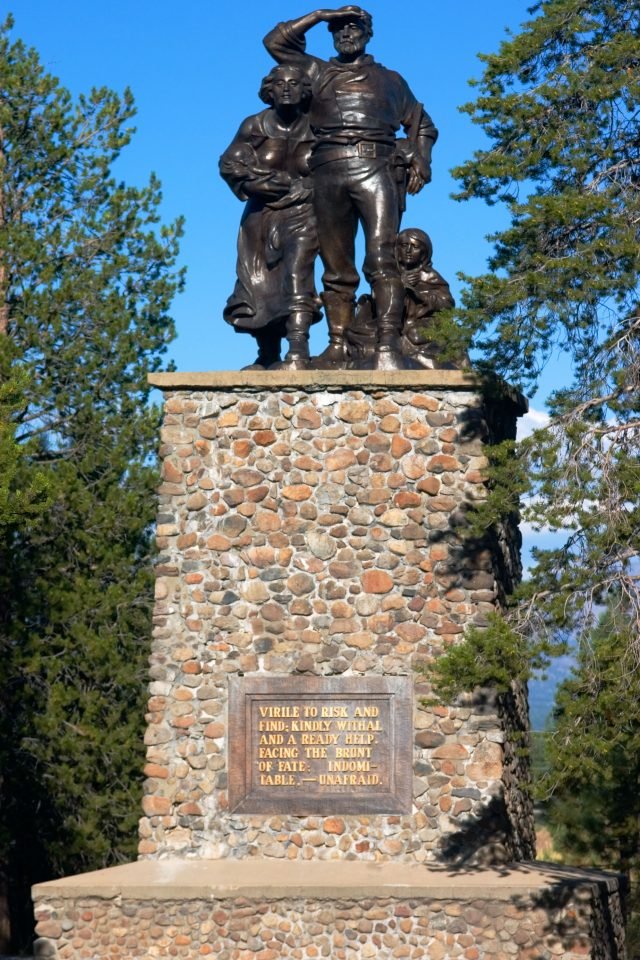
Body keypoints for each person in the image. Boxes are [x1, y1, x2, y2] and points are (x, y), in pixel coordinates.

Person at [264, 6, 438, 369]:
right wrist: (321, 13)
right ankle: (337, 345)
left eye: (353, 28)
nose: (346, 34)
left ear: (367, 34)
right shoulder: (317, 72)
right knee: (335, 266)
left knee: (381, 258)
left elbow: (422, 124)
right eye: (339, 29)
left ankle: (388, 345)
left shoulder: (391, 80)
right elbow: (275, 42)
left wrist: (421, 158)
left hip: (376, 168)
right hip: (328, 170)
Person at [220, 64, 321, 369]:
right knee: (257, 282)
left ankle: (298, 351)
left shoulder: (319, 126)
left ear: (305, 91)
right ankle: (268, 354)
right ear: (269, 91)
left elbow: (335, 168)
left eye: (294, 83)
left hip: (304, 211)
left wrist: (308, 185)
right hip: (260, 215)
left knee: (296, 273)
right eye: (280, 83)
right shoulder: (254, 126)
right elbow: (229, 165)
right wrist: (266, 183)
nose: (287, 88)